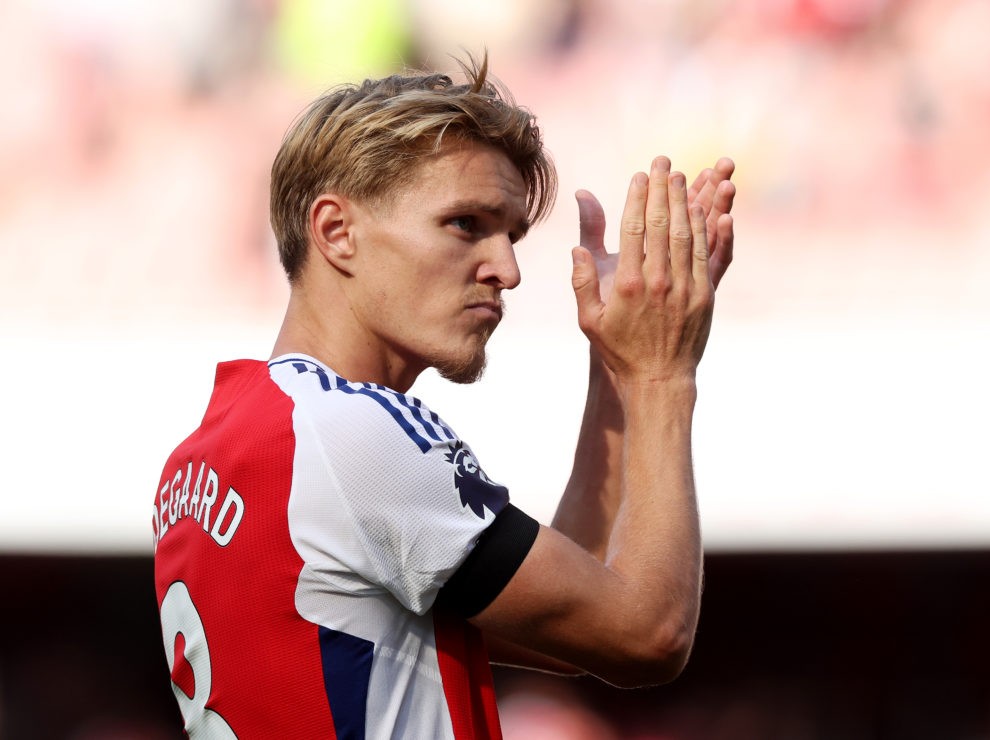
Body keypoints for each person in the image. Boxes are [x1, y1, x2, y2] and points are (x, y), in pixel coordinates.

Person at [152, 53, 736, 739]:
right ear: (337, 232)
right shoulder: (349, 431)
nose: (508, 271)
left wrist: (616, 362)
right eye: (465, 224)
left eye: (511, 235)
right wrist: (661, 373)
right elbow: (647, 633)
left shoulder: (216, 452)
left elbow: (570, 617)